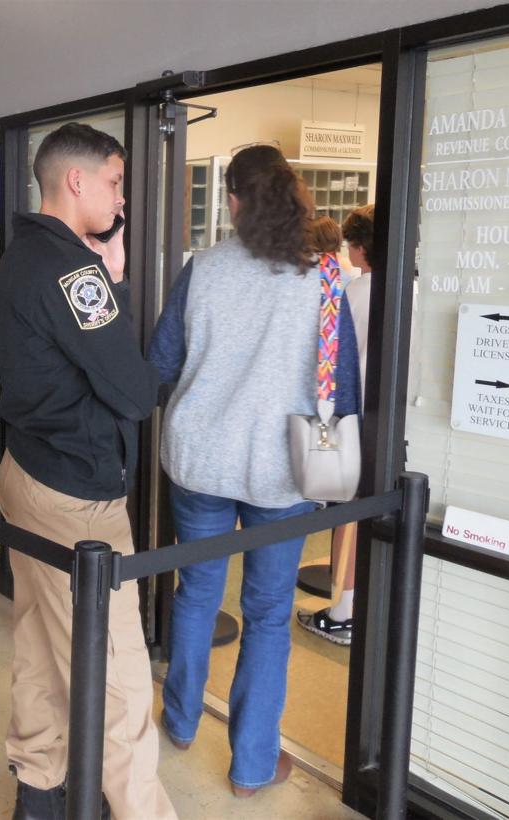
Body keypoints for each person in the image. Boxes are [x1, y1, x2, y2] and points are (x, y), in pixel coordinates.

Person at [150, 145, 361, 797]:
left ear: (234, 203)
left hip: (201, 465)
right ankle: (251, 766)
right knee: (268, 614)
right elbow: (342, 390)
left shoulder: (202, 269)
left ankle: (180, 723)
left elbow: (160, 365)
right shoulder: (326, 276)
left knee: (197, 592)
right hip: (283, 473)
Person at [0, 122, 175, 820]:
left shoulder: (23, 256)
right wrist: (114, 285)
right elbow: (133, 391)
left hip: (27, 472)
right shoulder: (74, 273)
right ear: (76, 180)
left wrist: (110, 275)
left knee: (39, 645)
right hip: (74, 501)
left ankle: (39, 793)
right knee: (120, 682)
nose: (120, 199)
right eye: (115, 181)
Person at [297, 203, 375, 645]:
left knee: (348, 517)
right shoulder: (413, 291)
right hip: (396, 425)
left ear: (361, 248)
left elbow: (332, 363)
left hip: (352, 422)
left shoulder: (354, 295)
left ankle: (343, 611)